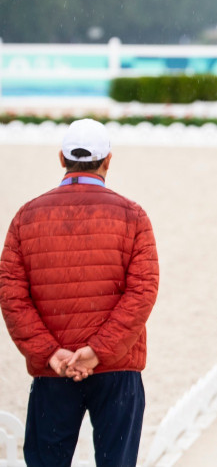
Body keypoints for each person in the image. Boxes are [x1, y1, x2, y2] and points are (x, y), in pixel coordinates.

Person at [0, 119, 159, 467]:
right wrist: (99, 350)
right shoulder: (133, 216)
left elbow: (12, 296)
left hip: (53, 370)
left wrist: (50, 352)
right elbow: (142, 291)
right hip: (116, 367)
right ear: (108, 161)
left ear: (62, 158)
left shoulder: (26, 216)